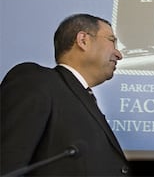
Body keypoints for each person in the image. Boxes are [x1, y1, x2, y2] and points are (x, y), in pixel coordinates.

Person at [0, 14, 131, 176]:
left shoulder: (85, 99)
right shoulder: (35, 81)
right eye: (112, 41)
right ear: (83, 40)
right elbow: (8, 163)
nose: (119, 54)